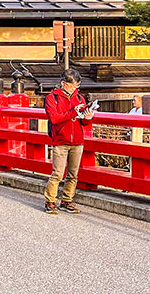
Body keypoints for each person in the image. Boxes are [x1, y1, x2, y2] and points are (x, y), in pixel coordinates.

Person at [44, 69, 94, 215]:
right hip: (61, 140)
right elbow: (54, 118)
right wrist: (74, 111)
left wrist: (88, 117)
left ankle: (67, 200)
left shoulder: (79, 98)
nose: (74, 88)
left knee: (73, 174)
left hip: (77, 140)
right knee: (57, 174)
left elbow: (83, 122)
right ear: (63, 83)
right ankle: (50, 201)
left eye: (76, 86)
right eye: (72, 85)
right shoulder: (52, 98)